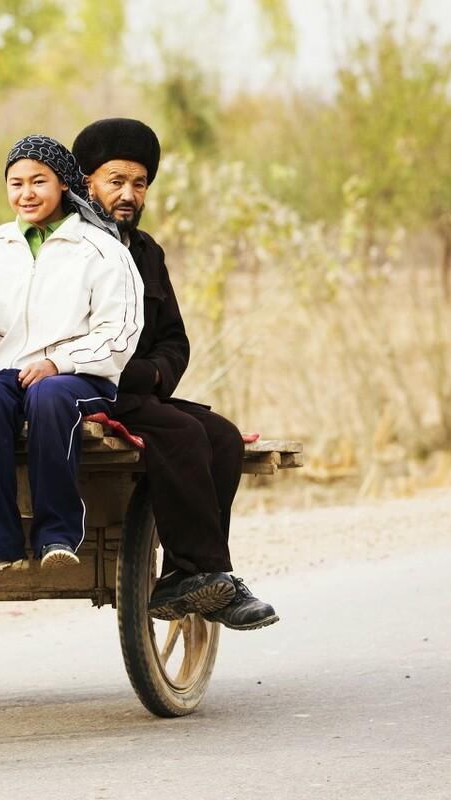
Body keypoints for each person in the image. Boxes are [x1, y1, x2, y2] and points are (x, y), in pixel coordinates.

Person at [71, 117, 278, 630]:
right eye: (115, 180)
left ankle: (184, 579)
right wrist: (125, 377)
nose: (128, 194)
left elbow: (175, 339)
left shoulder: (147, 252)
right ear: (86, 183)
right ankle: (206, 573)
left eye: (138, 183)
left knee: (224, 438)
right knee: (184, 434)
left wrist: (155, 377)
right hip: (80, 390)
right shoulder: (68, 247)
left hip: (140, 392)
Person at [0, 134, 143, 573]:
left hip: (82, 374)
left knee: (50, 397)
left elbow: (120, 333)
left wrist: (58, 363)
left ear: (64, 186)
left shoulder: (102, 251)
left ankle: (58, 534)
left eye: (39, 181)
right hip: (12, 369)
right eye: (16, 184)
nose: (26, 194)